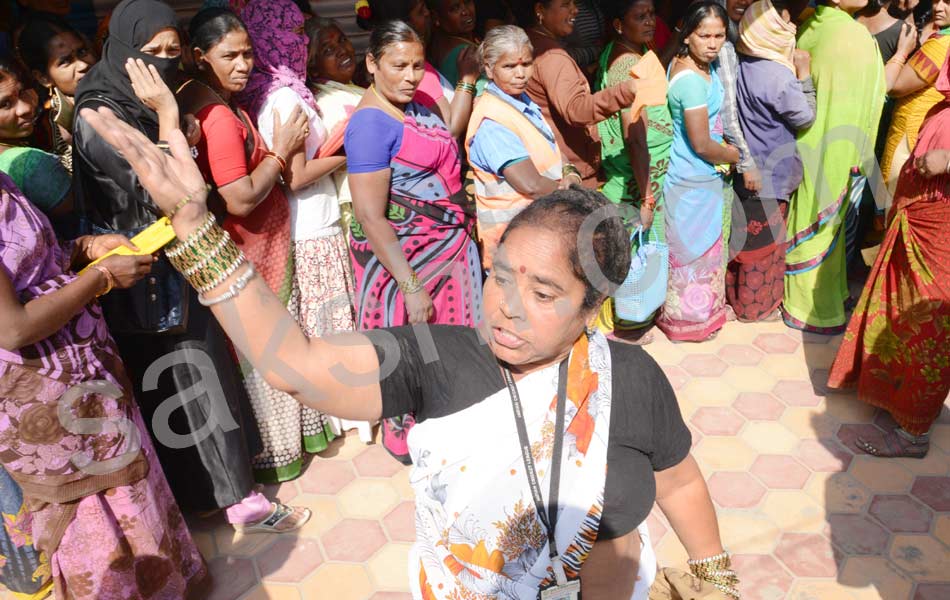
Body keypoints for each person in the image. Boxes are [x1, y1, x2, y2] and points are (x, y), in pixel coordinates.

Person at [77, 102, 744, 597]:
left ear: (590, 306)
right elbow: (298, 365)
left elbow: (678, 478)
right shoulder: (439, 359)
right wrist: (196, 230)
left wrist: (714, 574)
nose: (506, 306)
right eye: (501, 276)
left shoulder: (630, 377)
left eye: (543, 293)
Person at [72, 0, 301, 533]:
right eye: (152, 53)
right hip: (146, 280)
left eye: (174, 53)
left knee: (204, 375)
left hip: (177, 267)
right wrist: (174, 123)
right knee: (183, 382)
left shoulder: (138, 104)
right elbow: (184, 194)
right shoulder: (99, 114)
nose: (164, 65)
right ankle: (230, 501)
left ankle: (224, 493)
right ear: (124, 50)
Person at [0, 172, 207, 598]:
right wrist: (100, 278)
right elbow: (13, 328)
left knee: (130, 491)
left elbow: (36, 265)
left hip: (84, 374)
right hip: (43, 399)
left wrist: (87, 249)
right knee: (92, 524)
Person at [344, 21, 483, 463]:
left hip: (450, 249)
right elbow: (370, 214)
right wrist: (410, 285)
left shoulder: (419, 101)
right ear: (372, 64)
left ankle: (455, 423)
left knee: (453, 346)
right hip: (410, 262)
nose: (409, 75)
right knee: (417, 351)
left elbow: (450, 135)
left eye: (417, 66)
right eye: (398, 65)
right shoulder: (370, 124)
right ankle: (414, 442)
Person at [238, 0, 360, 479]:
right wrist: (350, 147)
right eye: (290, 32)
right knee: (328, 322)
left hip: (311, 221)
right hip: (311, 224)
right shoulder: (285, 99)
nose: (300, 41)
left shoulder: (280, 90)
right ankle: (341, 413)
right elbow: (298, 175)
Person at [828, 47, 950, 459]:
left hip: (939, 240)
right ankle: (896, 396)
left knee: (931, 328)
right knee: (904, 316)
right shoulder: (942, 105)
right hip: (920, 227)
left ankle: (914, 431)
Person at [783, 0, 886, 334]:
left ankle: (799, 302)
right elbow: (873, 97)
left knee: (809, 218)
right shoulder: (855, 36)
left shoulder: (808, 27)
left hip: (804, 145)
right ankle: (820, 309)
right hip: (842, 150)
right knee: (832, 227)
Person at [727, 0, 816, 322]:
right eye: (782, 23)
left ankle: (733, 299)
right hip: (774, 174)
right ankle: (756, 308)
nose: (790, 28)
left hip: (743, 170)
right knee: (764, 248)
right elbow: (805, 117)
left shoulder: (737, 64)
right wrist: (804, 73)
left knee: (741, 238)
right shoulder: (778, 75)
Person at [656, 1, 738, 343]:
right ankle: (688, 321)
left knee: (702, 250)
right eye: (705, 35)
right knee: (692, 251)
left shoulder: (705, 67)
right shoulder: (689, 80)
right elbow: (702, 143)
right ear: (687, 35)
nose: (713, 43)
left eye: (719, 35)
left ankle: (703, 315)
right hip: (692, 175)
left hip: (703, 176)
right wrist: (734, 155)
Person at [465, 25, 572, 271]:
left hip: (536, 236)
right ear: (489, 69)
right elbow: (530, 185)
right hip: (513, 247)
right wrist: (569, 191)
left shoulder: (521, 101)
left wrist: (571, 172)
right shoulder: (492, 122)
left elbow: (551, 148)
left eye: (526, 64)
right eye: (509, 67)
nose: (520, 74)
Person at [595, 0, 673, 335]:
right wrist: (646, 199)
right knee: (636, 246)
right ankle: (629, 321)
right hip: (635, 179)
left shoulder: (626, 52)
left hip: (639, 175)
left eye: (651, 14)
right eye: (639, 17)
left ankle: (632, 315)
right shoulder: (626, 65)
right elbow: (636, 138)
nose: (650, 22)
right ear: (618, 24)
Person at [524, 0, 639, 188]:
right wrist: (626, 91)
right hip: (572, 172)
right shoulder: (552, 57)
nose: (575, 10)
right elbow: (575, 109)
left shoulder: (531, 41)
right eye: (565, 4)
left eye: (574, 4)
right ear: (540, 10)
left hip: (554, 163)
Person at [355, 0, 480, 138]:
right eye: (420, 11)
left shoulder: (424, 57)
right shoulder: (415, 71)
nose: (427, 13)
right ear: (404, 23)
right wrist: (467, 79)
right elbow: (450, 129)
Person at [880, 0, 950, 197]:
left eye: (948, 3)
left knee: (890, 206)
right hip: (930, 140)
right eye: (936, 1)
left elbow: (895, 85)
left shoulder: (941, 44)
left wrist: (901, 53)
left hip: (909, 138)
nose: (938, 7)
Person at [15, 14, 97, 173]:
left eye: (82, 52)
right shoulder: (47, 129)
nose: (82, 65)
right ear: (43, 78)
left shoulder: (123, 90)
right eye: (65, 62)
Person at [307, 17, 363, 237]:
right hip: (362, 210)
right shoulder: (331, 104)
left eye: (343, 40)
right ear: (312, 65)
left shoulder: (348, 90)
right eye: (328, 50)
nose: (342, 51)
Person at [0, 57, 73, 225]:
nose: (25, 108)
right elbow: (85, 210)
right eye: (5, 104)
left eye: (22, 91)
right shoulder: (30, 163)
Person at [427, 0, 479, 86]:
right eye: (455, 8)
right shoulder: (462, 52)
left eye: (467, 2)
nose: (465, 12)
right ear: (436, 17)